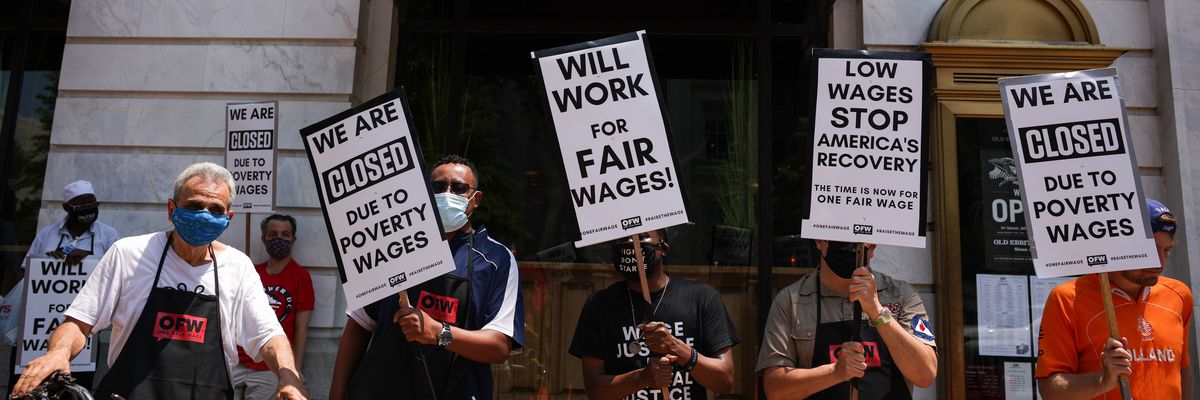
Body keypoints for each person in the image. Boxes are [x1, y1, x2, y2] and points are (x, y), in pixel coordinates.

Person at [11, 162, 307, 400]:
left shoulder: (238, 267)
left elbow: (269, 336)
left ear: (228, 218)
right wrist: (58, 353)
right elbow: (79, 322)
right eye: (194, 205)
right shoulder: (129, 253)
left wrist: (288, 376)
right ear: (171, 209)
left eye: (215, 210)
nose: (204, 215)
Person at [329, 154, 525, 400]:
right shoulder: (392, 246)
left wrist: (438, 333)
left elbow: (498, 346)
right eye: (439, 187)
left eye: (459, 188)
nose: (447, 193)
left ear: (476, 199)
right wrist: (336, 395)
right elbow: (359, 325)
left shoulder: (496, 259)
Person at [1036, 198, 1193, 399]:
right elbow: (1050, 390)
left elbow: (1182, 370)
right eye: (1151, 249)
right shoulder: (1067, 299)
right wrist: (1102, 380)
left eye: (1167, 250)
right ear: (1118, 244)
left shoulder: (1179, 295)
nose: (1160, 262)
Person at [569, 228, 740, 400]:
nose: (631, 243)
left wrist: (676, 347)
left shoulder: (701, 298)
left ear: (663, 248)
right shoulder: (599, 305)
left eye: (642, 238)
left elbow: (724, 381)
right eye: (623, 239)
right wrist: (642, 378)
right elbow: (595, 391)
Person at [757, 240, 937, 399]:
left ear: (872, 247)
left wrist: (877, 312)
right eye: (840, 241)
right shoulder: (790, 301)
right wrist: (834, 372)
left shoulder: (902, 296)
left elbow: (925, 374)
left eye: (858, 244)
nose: (849, 247)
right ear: (819, 241)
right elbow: (775, 389)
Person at [11, 180, 120, 389]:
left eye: (92, 205)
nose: (88, 211)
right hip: (38, 329)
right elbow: (28, 271)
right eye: (82, 206)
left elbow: (115, 275)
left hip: (81, 331)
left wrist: (89, 260)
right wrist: (49, 262)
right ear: (67, 209)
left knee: (76, 385)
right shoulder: (47, 235)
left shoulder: (109, 236)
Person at [233, 214, 314, 400]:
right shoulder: (251, 272)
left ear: (293, 239)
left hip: (270, 368)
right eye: (273, 234)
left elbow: (301, 329)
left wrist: (294, 371)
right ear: (264, 239)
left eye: (285, 234)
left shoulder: (300, 276)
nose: (279, 239)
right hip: (236, 362)